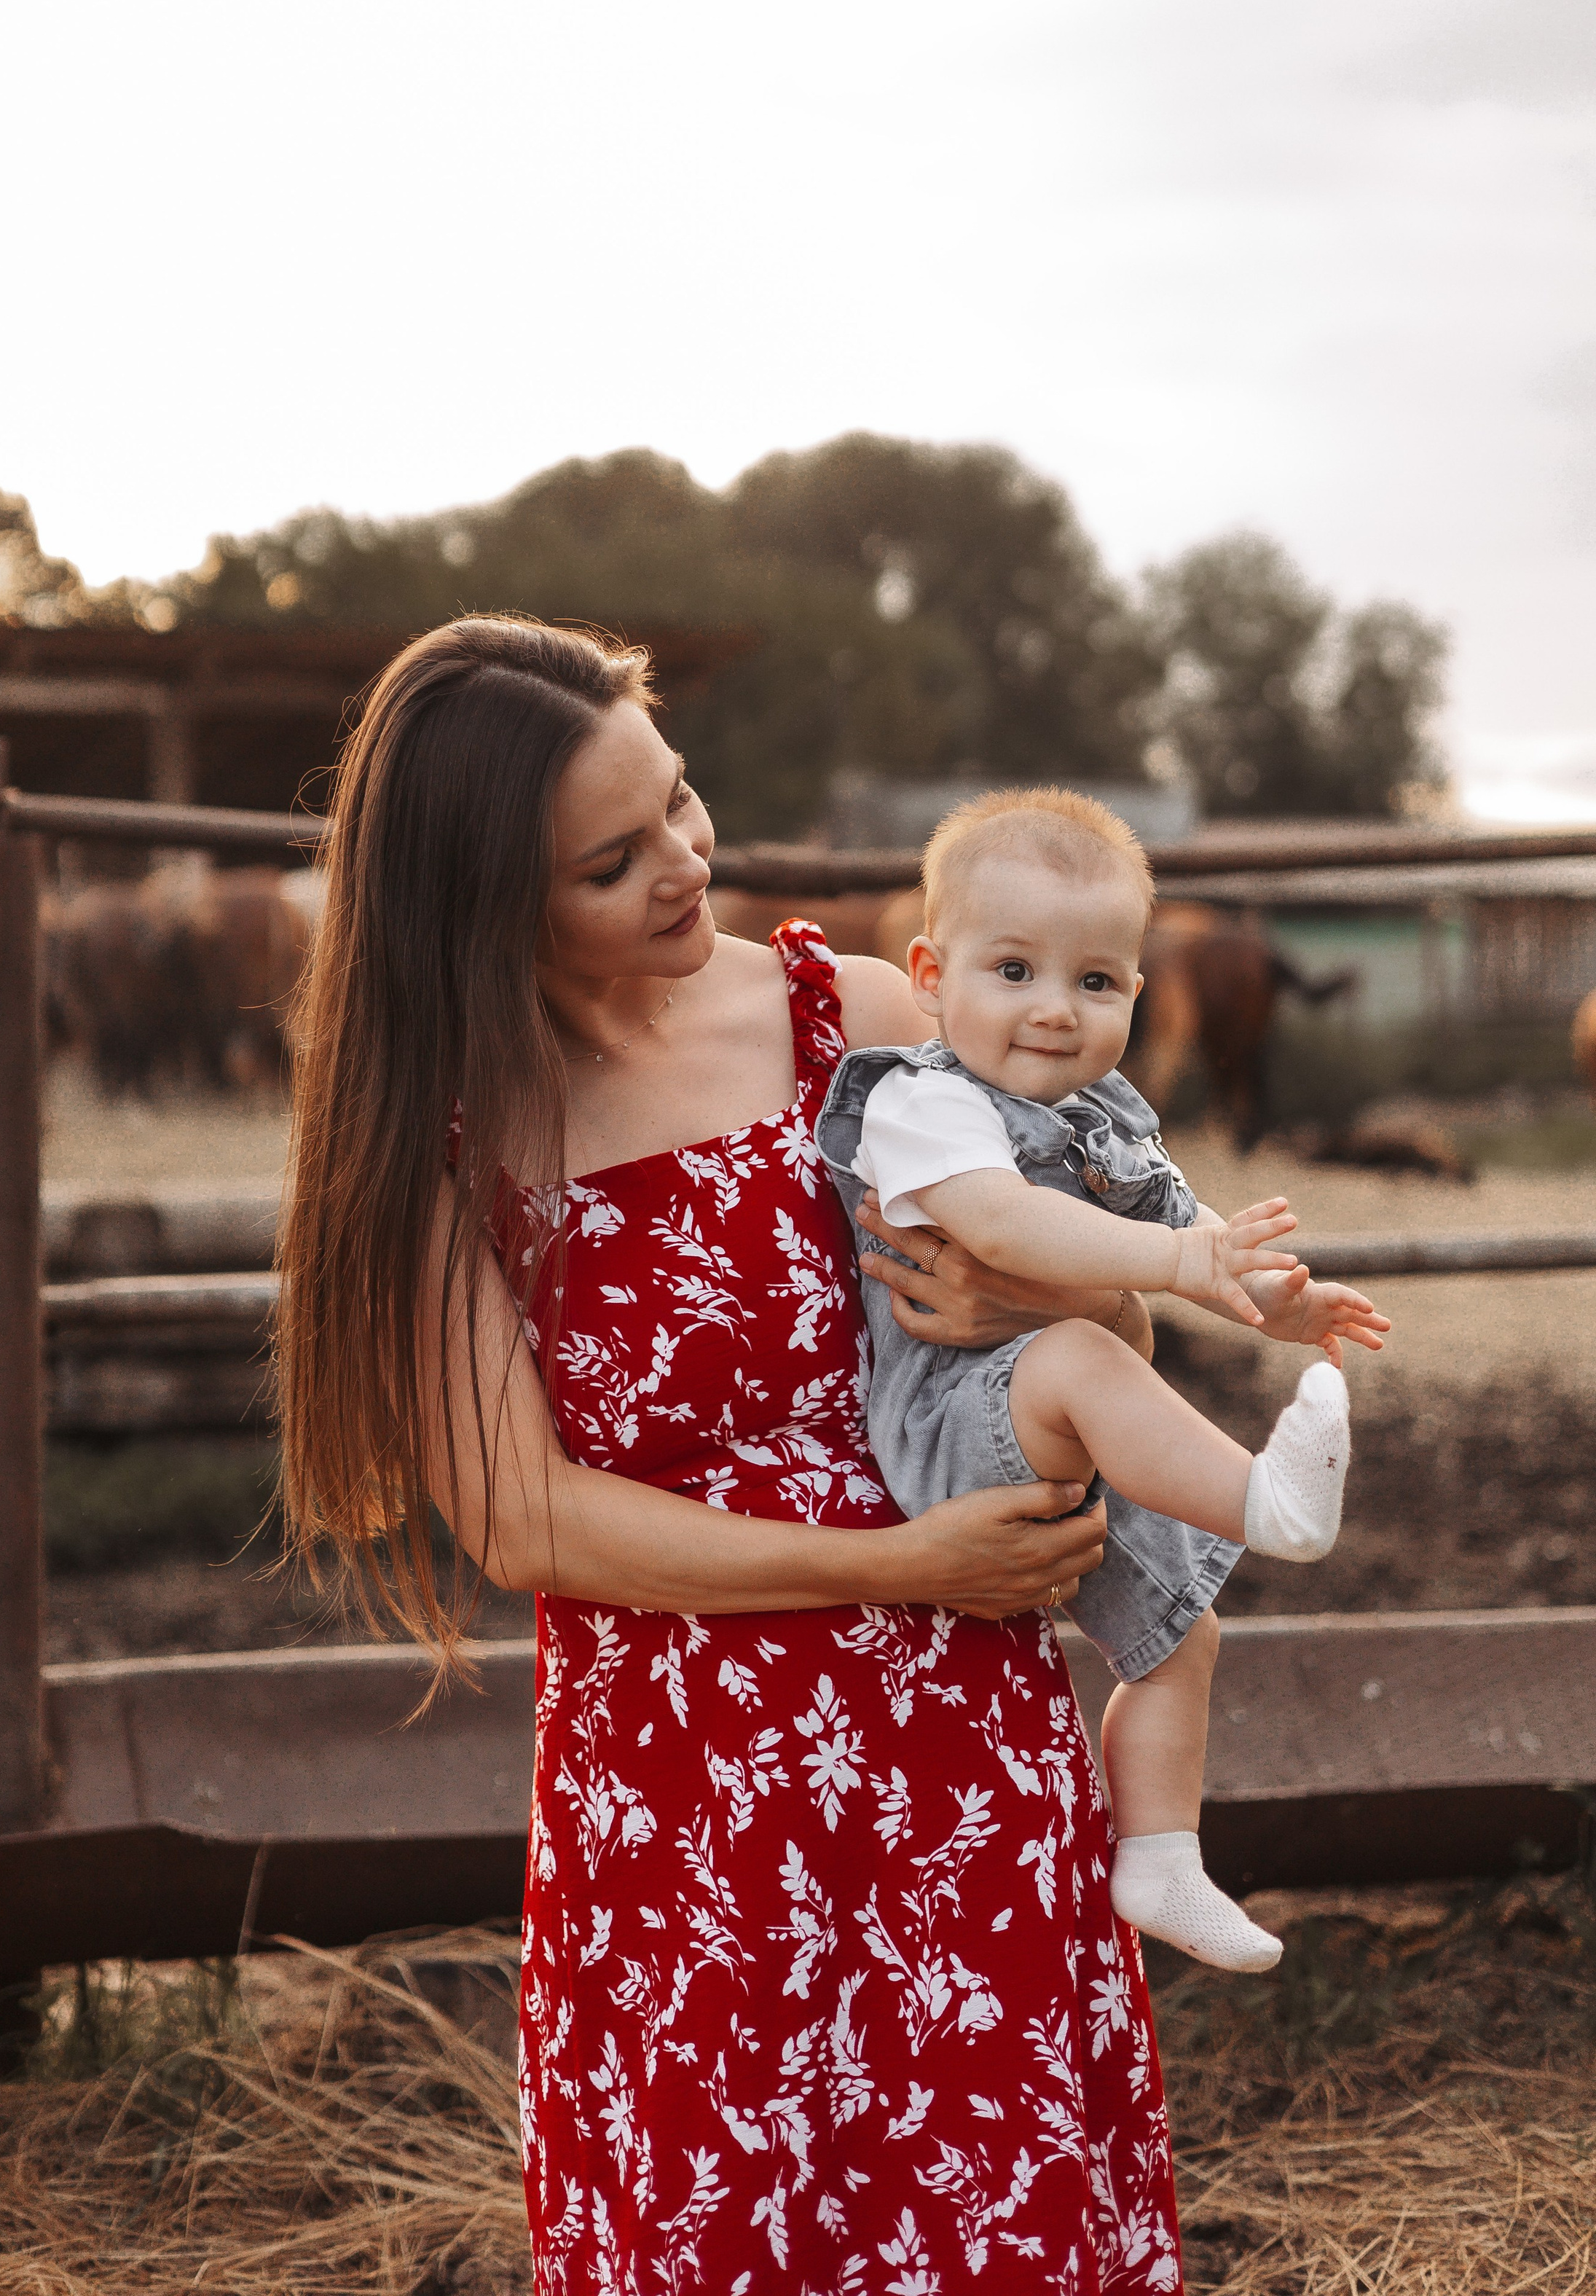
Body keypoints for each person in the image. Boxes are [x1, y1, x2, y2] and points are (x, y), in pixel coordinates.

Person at [280, 619, 1185, 2294]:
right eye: (613, 863)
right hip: (685, 1805)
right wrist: (887, 1568)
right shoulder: (453, 1144)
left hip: (953, 1747)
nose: (686, 864)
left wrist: (1056, 1310)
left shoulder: (868, 1013)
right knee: (723, 2222)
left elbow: (1102, 1346)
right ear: (485, 910)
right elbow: (521, 1517)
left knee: (993, 2208)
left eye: (680, 801)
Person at [817, 787, 1390, 1975]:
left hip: (1060, 1422)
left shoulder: (1108, 1118)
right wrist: (1178, 1266)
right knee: (1081, 1349)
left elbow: (1198, 1228)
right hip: (944, 1426)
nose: (1053, 1012)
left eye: (1094, 982)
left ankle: (1164, 1856)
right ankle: (1262, 1505)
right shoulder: (922, 1103)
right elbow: (1008, 1228)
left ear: (1138, 991)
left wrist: (1276, 1304)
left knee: (1184, 1637)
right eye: (1014, 970)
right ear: (931, 974)